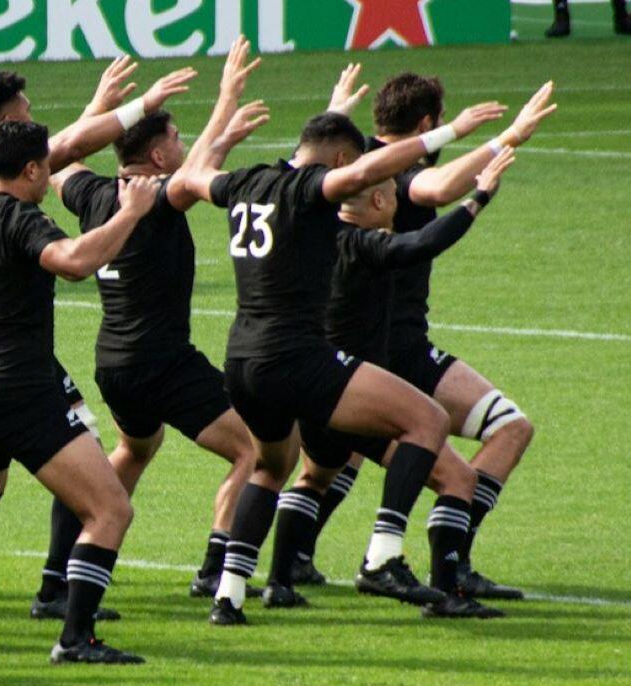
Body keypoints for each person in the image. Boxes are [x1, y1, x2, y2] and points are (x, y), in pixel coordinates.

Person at [166, 86, 490, 624]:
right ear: (341, 158)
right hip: (296, 355)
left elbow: (191, 177)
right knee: (428, 419)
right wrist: (448, 135)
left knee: (272, 468)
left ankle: (229, 596)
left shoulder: (244, 182)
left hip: (240, 358)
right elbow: (365, 175)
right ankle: (384, 553)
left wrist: (221, 125)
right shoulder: (309, 189)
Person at [0, 57, 192, 628]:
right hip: (18, 384)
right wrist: (129, 214)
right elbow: (75, 261)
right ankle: (74, 630)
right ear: (32, 169)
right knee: (110, 506)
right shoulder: (20, 217)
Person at [277, 74, 554, 602]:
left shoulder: (353, 158)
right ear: (427, 125)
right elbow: (437, 189)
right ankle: (451, 561)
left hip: (339, 343)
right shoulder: (397, 175)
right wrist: (509, 138)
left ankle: (284, 567)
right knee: (509, 428)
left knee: (328, 462)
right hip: (397, 347)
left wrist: (334, 108)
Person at [50, 43, 273, 613]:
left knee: (136, 446)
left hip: (114, 362)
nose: (180, 144)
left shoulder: (94, 194)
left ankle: (63, 570)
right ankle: (217, 565)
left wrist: (100, 102)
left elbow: (63, 159)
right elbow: (196, 170)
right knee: (256, 450)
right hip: (161, 361)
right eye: (173, 138)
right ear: (155, 156)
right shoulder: (157, 197)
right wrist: (226, 98)